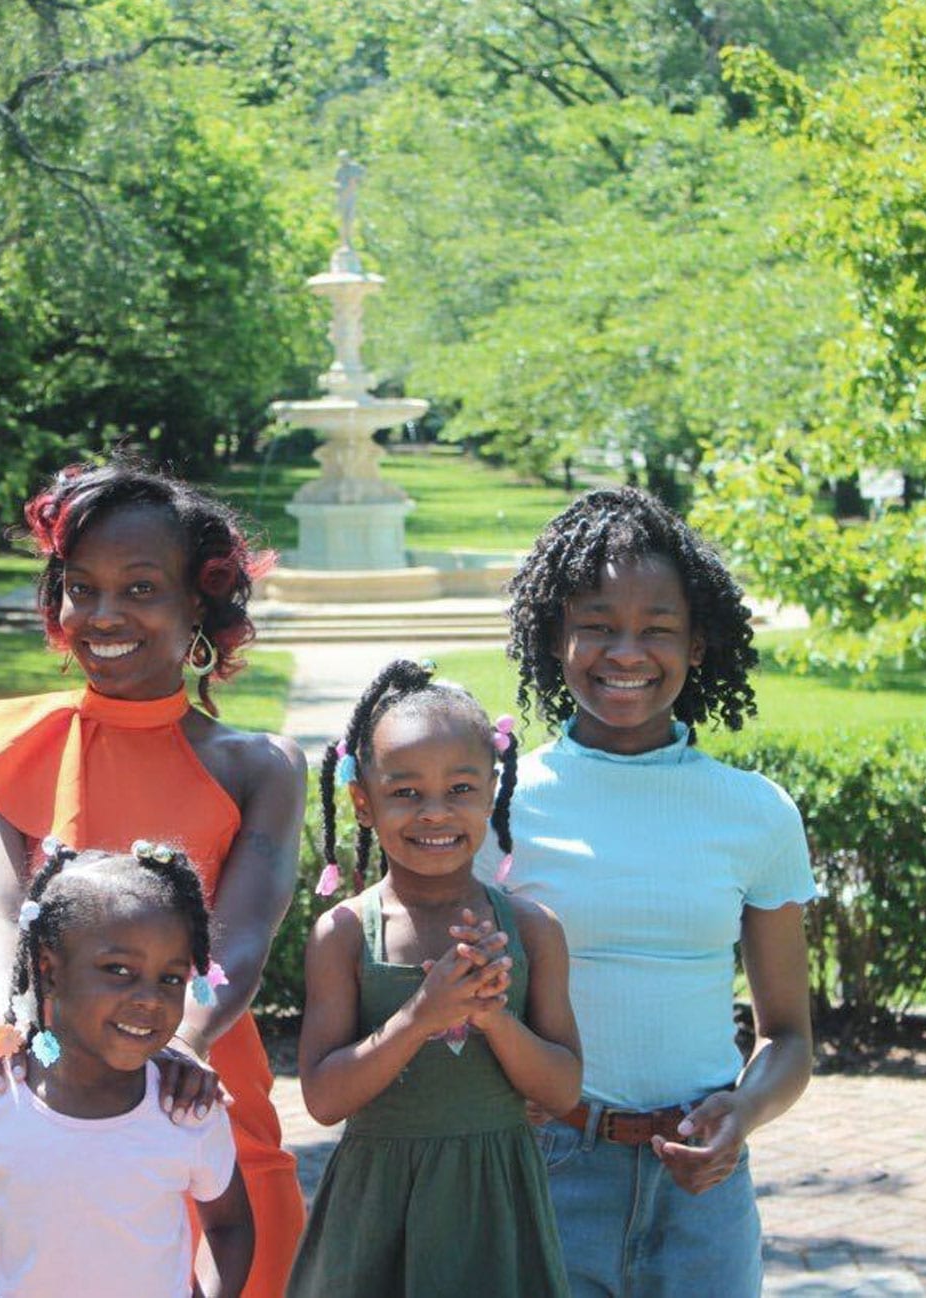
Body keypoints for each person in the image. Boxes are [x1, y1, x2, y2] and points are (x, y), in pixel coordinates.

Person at [0, 458, 307, 1297]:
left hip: (203, 1096)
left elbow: (241, 938)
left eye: (141, 589)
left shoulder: (260, 768)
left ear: (199, 607)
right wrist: (16, 1044)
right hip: (50, 1102)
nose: (103, 615)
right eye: (82, 587)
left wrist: (177, 1043)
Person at [494, 486, 816, 1296]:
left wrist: (739, 1115)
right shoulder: (500, 806)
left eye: (658, 629)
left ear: (698, 643)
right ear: (554, 638)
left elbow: (789, 1038)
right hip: (547, 1171)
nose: (626, 652)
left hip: (702, 1188)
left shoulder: (754, 812)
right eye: (596, 624)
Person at [287, 659, 580, 1298]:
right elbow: (325, 1099)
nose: (435, 814)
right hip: (377, 1216)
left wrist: (492, 1015)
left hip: (497, 1211)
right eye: (406, 792)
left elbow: (562, 1090)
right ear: (363, 803)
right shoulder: (342, 935)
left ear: (494, 790)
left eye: (461, 790)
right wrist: (420, 1014)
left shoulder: (532, 930)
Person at [0, 845, 254, 1297]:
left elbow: (230, 1226)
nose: (150, 997)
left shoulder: (187, 1110)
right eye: (119, 969)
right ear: (49, 971)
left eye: (170, 977)